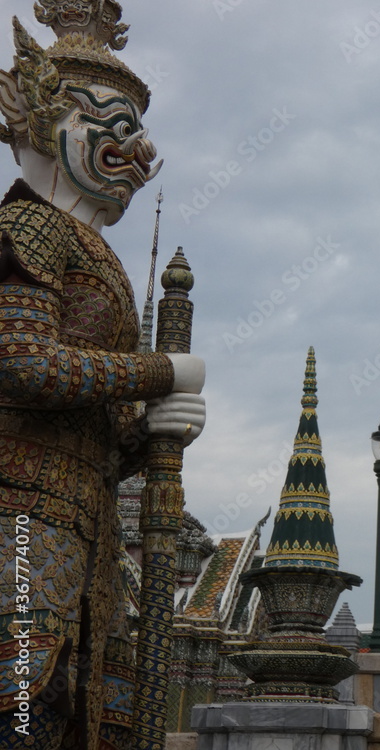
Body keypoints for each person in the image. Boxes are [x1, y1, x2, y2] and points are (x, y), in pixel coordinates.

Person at [0, 3, 205, 747]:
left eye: (139, 134)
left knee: (94, 719)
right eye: (114, 130)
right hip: (18, 521)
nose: (139, 152)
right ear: (46, 122)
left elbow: (104, 424)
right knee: (25, 713)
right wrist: (159, 373)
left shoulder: (93, 253)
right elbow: (22, 365)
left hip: (86, 529)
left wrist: (150, 432)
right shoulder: (26, 228)